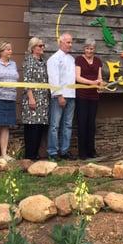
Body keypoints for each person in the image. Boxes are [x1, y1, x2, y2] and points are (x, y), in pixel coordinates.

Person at [47, 33, 76, 161]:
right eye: (68, 42)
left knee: (68, 125)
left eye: (71, 42)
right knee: (55, 125)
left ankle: (64, 151)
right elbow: (54, 78)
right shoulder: (54, 58)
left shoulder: (71, 59)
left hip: (71, 96)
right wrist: (59, 95)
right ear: (61, 42)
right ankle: (52, 152)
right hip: (59, 96)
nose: (70, 45)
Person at [21, 37, 50, 160]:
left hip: (43, 99)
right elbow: (27, 81)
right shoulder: (29, 61)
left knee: (40, 127)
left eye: (43, 45)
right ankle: (30, 155)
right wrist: (31, 98)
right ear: (33, 48)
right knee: (32, 127)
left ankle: (35, 154)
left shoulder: (43, 62)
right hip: (33, 98)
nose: (42, 48)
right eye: (40, 46)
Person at [75, 38, 103, 159]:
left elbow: (100, 77)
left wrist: (100, 84)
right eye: (87, 48)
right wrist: (92, 82)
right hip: (82, 95)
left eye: (91, 49)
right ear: (84, 49)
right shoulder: (79, 60)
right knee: (82, 123)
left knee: (91, 124)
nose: (89, 51)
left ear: (94, 49)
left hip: (94, 96)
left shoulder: (98, 61)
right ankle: (82, 153)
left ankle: (91, 151)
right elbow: (78, 78)